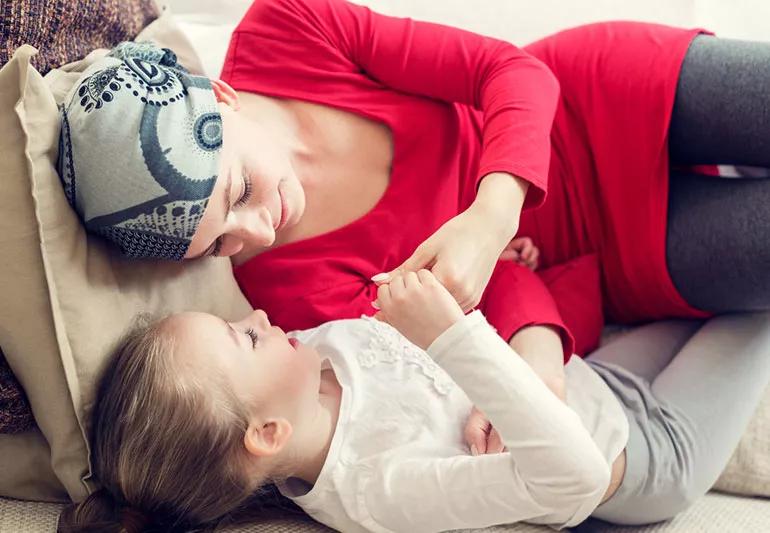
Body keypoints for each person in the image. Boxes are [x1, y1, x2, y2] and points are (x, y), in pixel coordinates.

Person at [58, 0, 770, 488]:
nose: (256, 232)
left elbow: (515, 74)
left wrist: (490, 222)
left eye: (239, 191)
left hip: (599, 97)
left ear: (224, 98)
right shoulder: (287, 296)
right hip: (617, 259)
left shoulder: (288, 30)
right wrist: (533, 355)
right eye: (219, 244)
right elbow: (478, 318)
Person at [57, 270, 770, 532]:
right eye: (244, 341)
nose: (257, 319)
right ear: (268, 432)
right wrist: (456, 335)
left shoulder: (313, 352)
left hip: (592, 375)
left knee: (718, 279)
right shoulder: (377, 487)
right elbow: (574, 475)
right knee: (757, 302)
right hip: (641, 461)